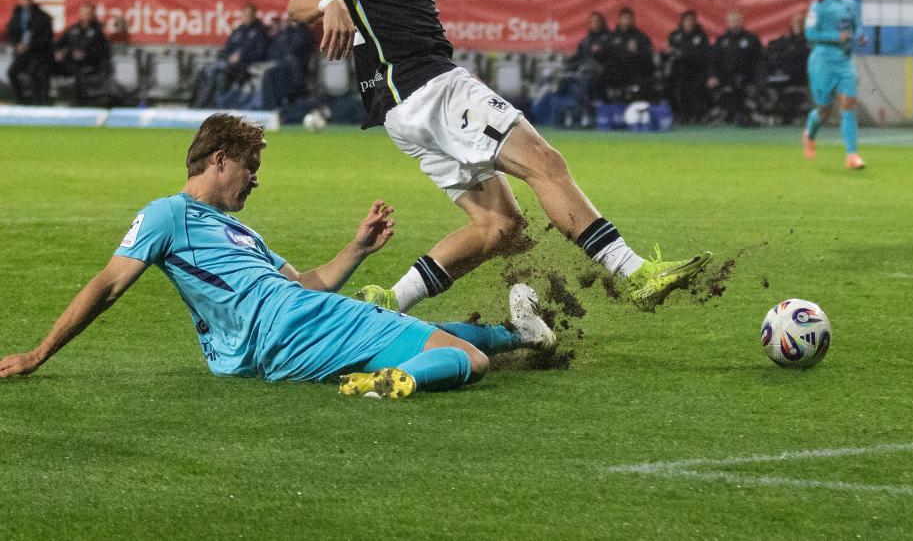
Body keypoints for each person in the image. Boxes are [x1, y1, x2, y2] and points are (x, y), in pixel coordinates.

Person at [287, 0, 709, 316]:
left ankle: (389, 301)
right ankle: (633, 273)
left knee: (500, 227)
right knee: (545, 163)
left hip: (405, 108)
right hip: (427, 88)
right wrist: (331, 2)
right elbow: (300, 1)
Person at [0, 114, 556, 398]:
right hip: (292, 324)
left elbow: (306, 282)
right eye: (251, 168)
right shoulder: (170, 214)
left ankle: (522, 334)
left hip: (281, 339)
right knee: (468, 360)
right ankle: (396, 381)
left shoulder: (238, 233)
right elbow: (107, 285)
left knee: (422, 331)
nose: (255, 181)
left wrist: (358, 248)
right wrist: (39, 353)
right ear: (220, 159)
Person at [803, 0, 867, 169]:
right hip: (822, 62)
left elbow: (857, 27)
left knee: (848, 104)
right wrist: (835, 37)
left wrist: (861, 36)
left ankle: (852, 155)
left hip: (845, 61)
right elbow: (810, 33)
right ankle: (809, 134)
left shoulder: (851, 4)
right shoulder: (818, 5)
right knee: (824, 111)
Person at [191, 3, 270, 108]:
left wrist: (241, 57)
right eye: (244, 14)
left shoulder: (260, 32)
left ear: (254, 15)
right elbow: (227, 49)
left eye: (249, 14)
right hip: (228, 62)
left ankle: (216, 104)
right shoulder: (238, 30)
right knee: (205, 70)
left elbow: (260, 53)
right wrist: (229, 56)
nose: (246, 17)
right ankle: (199, 102)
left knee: (219, 73)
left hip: (244, 65)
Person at [708, 10, 762, 124]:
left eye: (737, 20)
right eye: (732, 21)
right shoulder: (722, 40)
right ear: (728, 23)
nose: (735, 23)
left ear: (742, 21)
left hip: (746, 76)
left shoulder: (751, 38)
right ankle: (721, 114)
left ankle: (742, 114)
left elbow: (759, 60)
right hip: (725, 76)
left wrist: (758, 77)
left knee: (739, 83)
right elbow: (713, 61)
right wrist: (713, 76)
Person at [53, 2, 111, 105]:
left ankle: (78, 103)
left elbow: (104, 51)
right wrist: (57, 52)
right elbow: (58, 44)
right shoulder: (73, 29)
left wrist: (86, 54)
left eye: (88, 13)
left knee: (78, 74)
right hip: (70, 62)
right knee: (45, 65)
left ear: (93, 14)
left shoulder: (99, 31)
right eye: (84, 13)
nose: (86, 16)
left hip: (89, 64)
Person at [5, 0, 54, 105]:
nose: (25, 1)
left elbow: (47, 37)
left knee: (34, 72)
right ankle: (21, 100)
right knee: (12, 72)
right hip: (22, 54)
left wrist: (30, 46)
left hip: (38, 54)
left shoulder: (42, 17)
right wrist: (17, 45)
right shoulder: (16, 16)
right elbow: (11, 33)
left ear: (32, 0)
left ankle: (38, 101)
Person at [600, 7, 656, 103]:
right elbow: (604, 55)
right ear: (619, 19)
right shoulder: (611, 37)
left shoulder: (641, 37)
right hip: (615, 71)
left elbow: (648, 58)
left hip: (634, 70)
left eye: (629, 18)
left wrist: (636, 51)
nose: (626, 21)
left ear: (633, 20)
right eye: (624, 18)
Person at [664, 10, 711, 122]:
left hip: (695, 71)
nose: (689, 23)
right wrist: (668, 52)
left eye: (691, 20)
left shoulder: (701, 37)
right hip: (677, 71)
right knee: (668, 85)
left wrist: (681, 53)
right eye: (687, 20)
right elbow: (668, 52)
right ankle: (676, 113)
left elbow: (702, 55)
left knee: (689, 86)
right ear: (682, 21)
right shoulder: (675, 35)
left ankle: (695, 114)